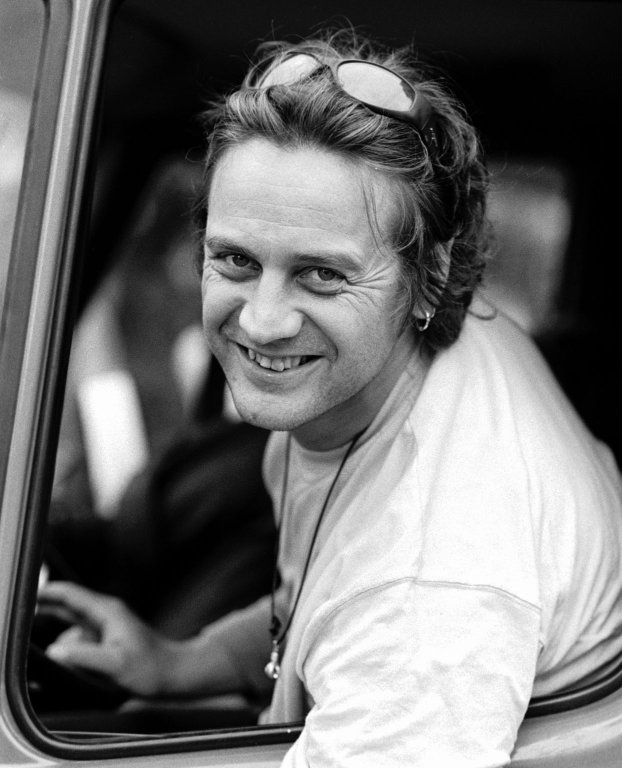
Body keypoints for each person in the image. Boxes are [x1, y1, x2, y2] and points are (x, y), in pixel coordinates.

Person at [40, 30, 622, 766]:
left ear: (431, 276)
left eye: (322, 275)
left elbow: (383, 606)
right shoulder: (427, 347)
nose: (263, 322)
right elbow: (318, 599)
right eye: (236, 259)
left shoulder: (428, 596)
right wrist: (182, 663)